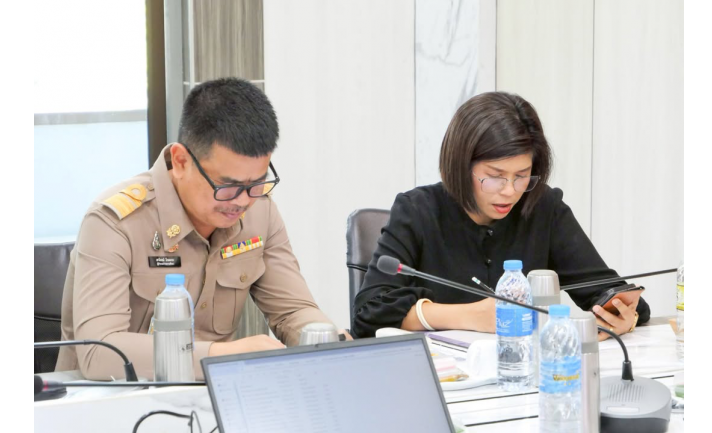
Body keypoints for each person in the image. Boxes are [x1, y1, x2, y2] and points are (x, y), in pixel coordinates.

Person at [56, 77, 347, 380]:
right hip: (115, 399)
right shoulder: (114, 222)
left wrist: (325, 339)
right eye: (228, 186)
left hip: (212, 399)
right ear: (181, 161)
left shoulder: (260, 211)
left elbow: (293, 311)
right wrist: (221, 355)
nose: (243, 200)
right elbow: (100, 354)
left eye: (257, 182)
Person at [352, 91, 650, 340]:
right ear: (460, 166)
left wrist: (624, 317)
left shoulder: (543, 206)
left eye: (521, 176)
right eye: (495, 176)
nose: (510, 191)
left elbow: (609, 292)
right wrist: (471, 315)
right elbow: (369, 313)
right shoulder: (417, 211)